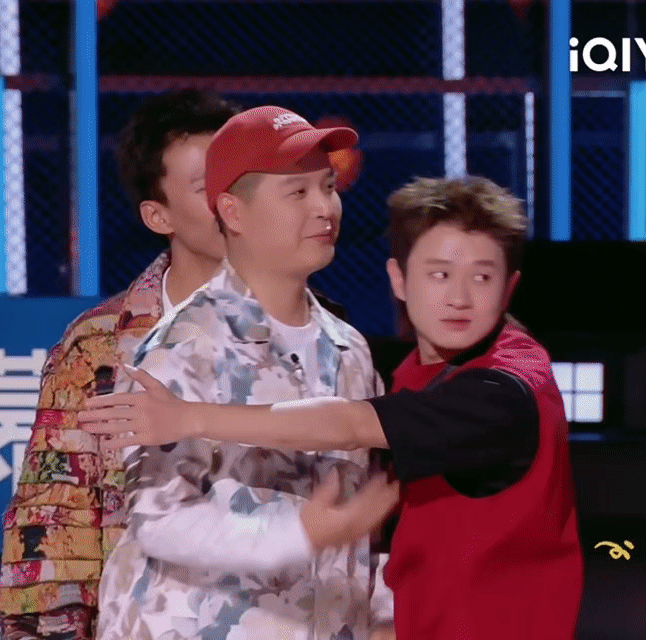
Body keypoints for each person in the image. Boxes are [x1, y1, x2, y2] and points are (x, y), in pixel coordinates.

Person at [81, 176, 584, 639]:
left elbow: (351, 423)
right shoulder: (408, 370)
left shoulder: (503, 389)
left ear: (510, 287)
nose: (459, 297)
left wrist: (190, 417)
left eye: (482, 277)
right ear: (399, 279)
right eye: (440, 274)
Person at [94, 105, 397, 640]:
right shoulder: (181, 346)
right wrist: (297, 532)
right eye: (297, 192)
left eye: (328, 188)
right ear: (233, 212)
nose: (324, 208)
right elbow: (161, 521)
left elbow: (361, 514)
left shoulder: (350, 349)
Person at [0, 89, 243, 640]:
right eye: (206, 188)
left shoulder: (319, 337)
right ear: (158, 215)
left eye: (240, 178)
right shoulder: (99, 347)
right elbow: (55, 515)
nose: (231, 201)